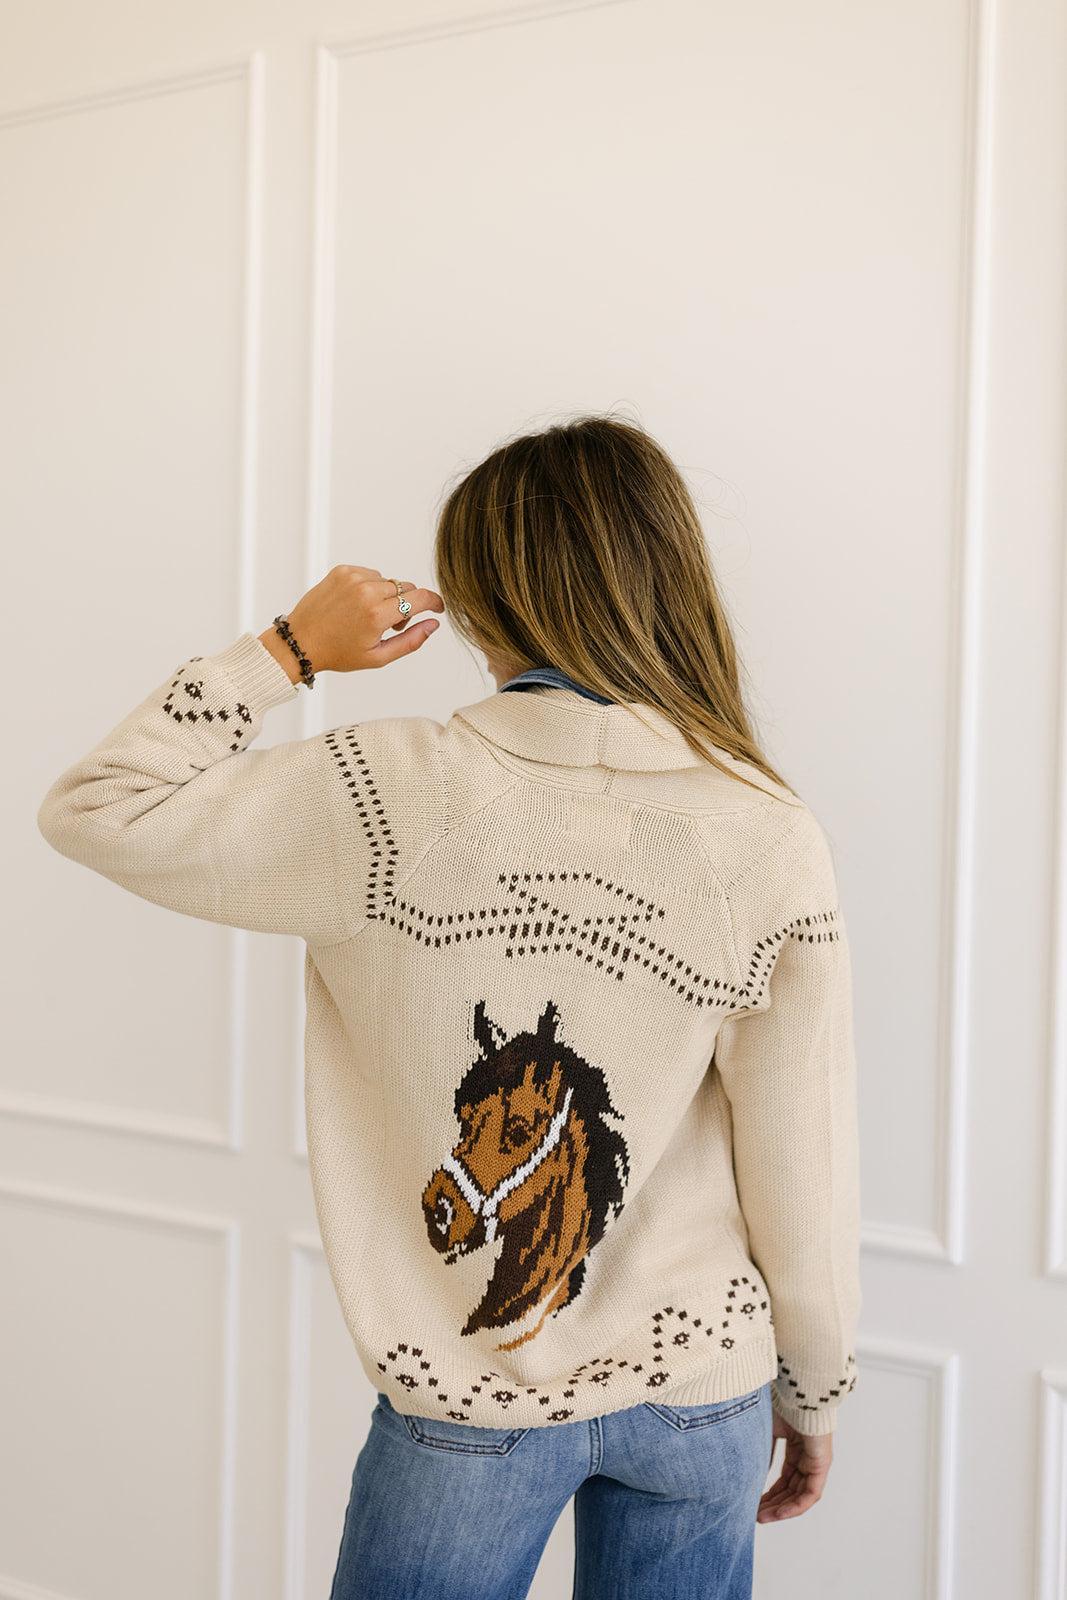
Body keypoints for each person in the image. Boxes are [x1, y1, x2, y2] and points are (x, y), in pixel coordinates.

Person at [37, 414, 861, 1600]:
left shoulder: (384, 792)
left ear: (474, 602)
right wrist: (813, 1387)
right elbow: (802, 1152)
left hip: (468, 1404)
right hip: (700, 1399)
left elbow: (98, 806)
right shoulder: (764, 830)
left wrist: (286, 650)